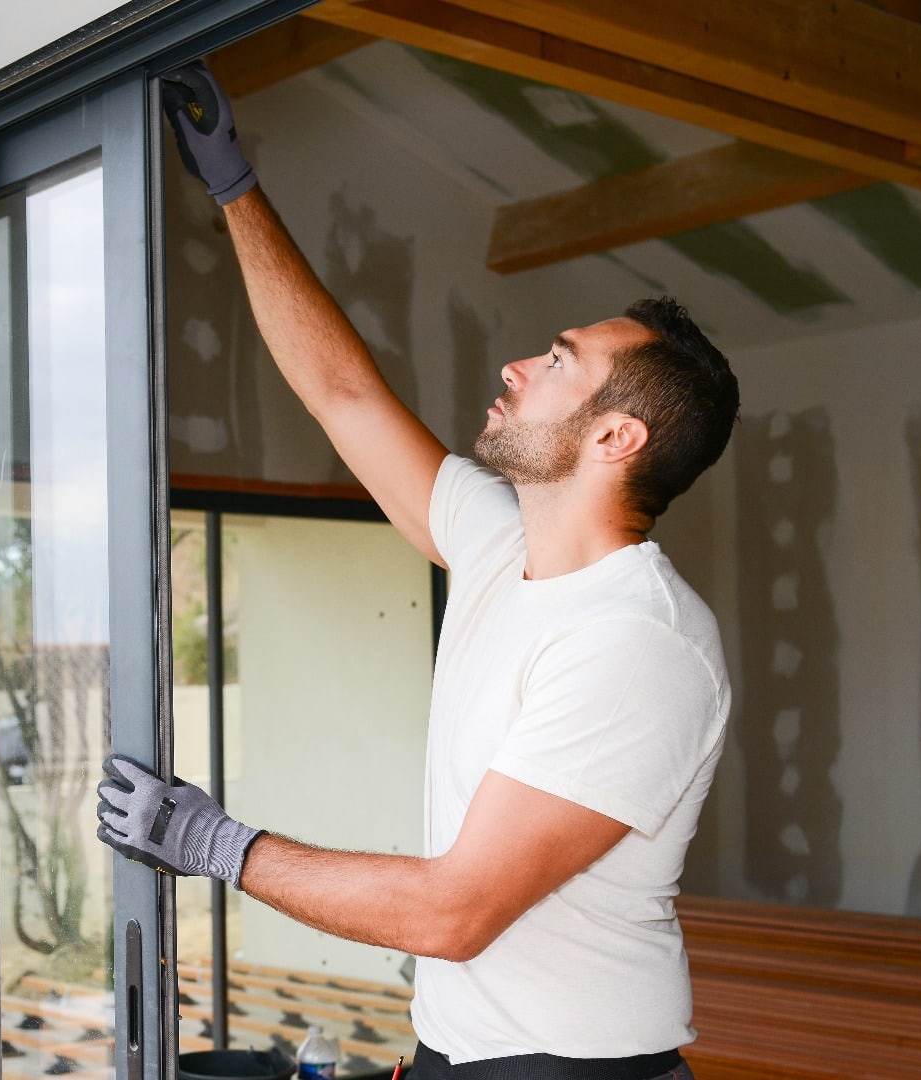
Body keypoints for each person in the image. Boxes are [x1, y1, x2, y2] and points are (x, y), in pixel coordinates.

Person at [94, 63, 741, 1080]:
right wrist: (233, 188)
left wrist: (215, 844)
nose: (516, 368)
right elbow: (344, 394)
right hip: (455, 1054)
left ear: (618, 436)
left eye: (559, 363)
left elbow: (456, 910)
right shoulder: (500, 547)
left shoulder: (638, 640)